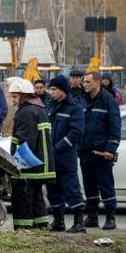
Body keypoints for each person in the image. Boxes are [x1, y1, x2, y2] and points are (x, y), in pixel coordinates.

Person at [8, 77, 55, 230]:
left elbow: (25, 142)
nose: (12, 100)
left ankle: (24, 230)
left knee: (22, 197)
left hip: (29, 167)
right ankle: (41, 226)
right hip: (40, 166)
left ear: (24, 96)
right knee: (36, 197)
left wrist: (17, 166)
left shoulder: (26, 112)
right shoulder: (39, 109)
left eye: (15, 96)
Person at [80, 71, 121, 230]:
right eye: (84, 82)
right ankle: (92, 217)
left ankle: (110, 217)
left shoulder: (108, 101)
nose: (85, 85)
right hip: (86, 152)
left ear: (97, 83)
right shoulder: (83, 101)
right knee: (89, 186)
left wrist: (111, 148)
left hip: (102, 153)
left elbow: (115, 127)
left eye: (88, 82)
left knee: (106, 185)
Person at [46, 75, 86, 233]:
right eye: (51, 89)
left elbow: (76, 132)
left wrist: (58, 147)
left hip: (66, 156)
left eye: (54, 89)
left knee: (71, 188)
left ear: (63, 90)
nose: (51, 92)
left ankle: (79, 222)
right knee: (53, 189)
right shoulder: (51, 106)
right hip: (52, 156)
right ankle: (58, 221)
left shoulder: (74, 107)